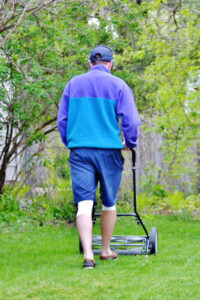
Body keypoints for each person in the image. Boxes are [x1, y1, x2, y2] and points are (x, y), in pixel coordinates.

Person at [57, 45, 141, 269]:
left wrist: (71, 142)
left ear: (89, 63)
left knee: (84, 203)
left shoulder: (73, 84)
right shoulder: (119, 85)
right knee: (108, 202)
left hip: (81, 151)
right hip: (109, 151)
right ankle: (105, 250)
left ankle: (88, 255)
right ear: (111, 64)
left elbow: (62, 120)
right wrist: (129, 143)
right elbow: (131, 121)